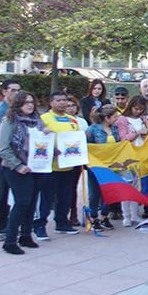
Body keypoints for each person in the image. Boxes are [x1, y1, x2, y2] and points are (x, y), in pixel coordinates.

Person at [0, 91, 47, 254]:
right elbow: (4, 147)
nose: (30, 105)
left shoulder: (37, 121)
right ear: (18, 104)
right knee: (22, 202)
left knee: (32, 202)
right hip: (16, 168)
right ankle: (10, 241)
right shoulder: (10, 121)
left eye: (32, 102)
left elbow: (41, 143)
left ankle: (26, 235)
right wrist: (18, 166)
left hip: (36, 167)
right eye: (26, 102)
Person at [34, 91, 81, 239]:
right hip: (50, 166)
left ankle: (62, 222)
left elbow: (77, 139)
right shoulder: (44, 118)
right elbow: (37, 139)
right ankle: (40, 224)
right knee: (47, 197)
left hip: (69, 166)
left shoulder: (72, 120)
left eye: (64, 100)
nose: (62, 103)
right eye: (58, 100)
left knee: (65, 196)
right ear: (51, 103)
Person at [0, 79, 20, 242]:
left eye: (18, 90)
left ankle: (2, 225)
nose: (16, 93)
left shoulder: (16, 110)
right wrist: (4, 155)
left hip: (11, 159)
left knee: (7, 193)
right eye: (12, 90)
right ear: (4, 92)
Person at [85, 105, 121, 231]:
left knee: (110, 191)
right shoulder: (92, 129)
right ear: (107, 117)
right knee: (95, 193)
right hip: (96, 165)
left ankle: (104, 215)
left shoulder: (115, 129)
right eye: (115, 116)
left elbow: (119, 144)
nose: (117, 118)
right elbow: (88, 145)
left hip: (111, 165)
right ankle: (94, 217)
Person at [115, 96, 148, 227]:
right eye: (136, 108)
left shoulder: (143, 119)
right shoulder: (123, 119)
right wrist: (137, 133)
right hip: (127, 157)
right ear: (131, 106)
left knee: (137, 187)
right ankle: (126, 216)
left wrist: (146, 131)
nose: (138, 111)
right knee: (127, 186)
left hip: (141, 155)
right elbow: (123, 138)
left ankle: (135, 214)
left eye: (141, 109)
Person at [64, 95, 89, 226]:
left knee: (73, 187)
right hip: (62, 159)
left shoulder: (82, 122)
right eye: (68, 106)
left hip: (76, 159)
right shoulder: (61, 120)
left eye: (73, 106)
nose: (71, 108)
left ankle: (73, 214)